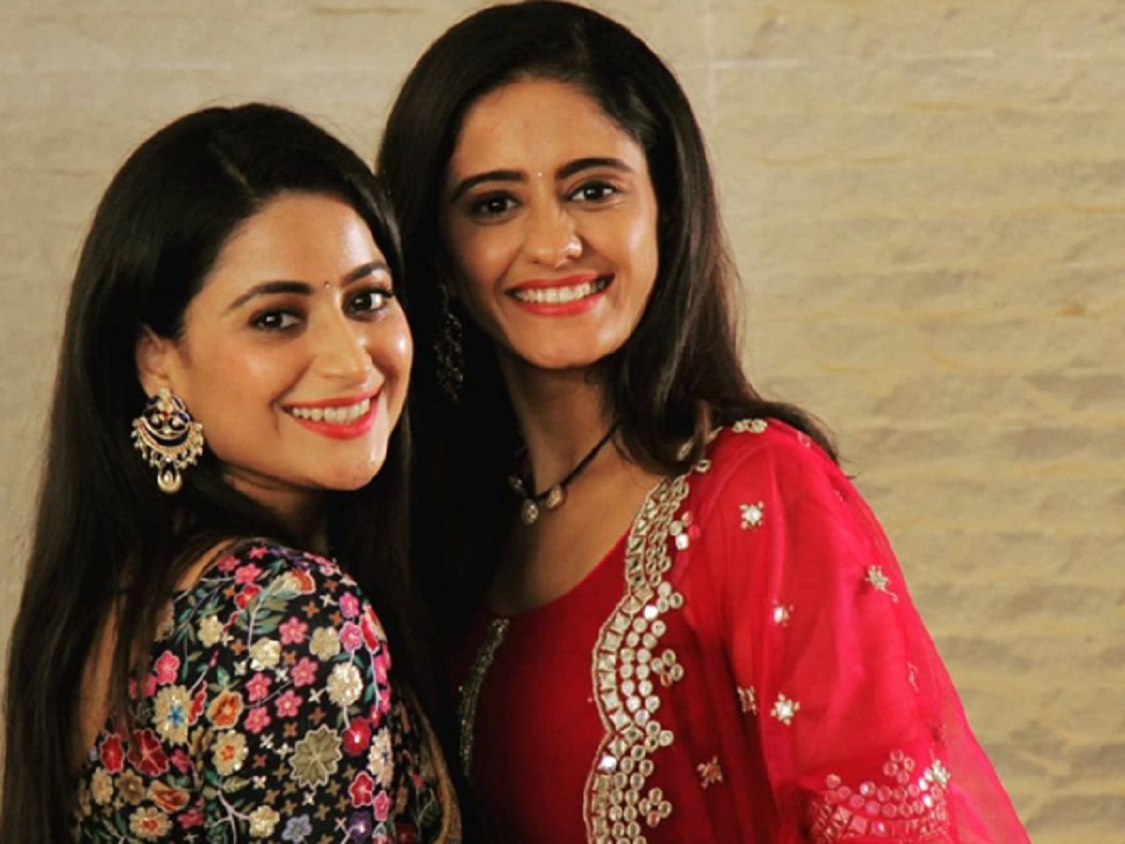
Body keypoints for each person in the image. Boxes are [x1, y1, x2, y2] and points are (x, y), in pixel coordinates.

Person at [377, 2, 1029, 841]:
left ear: (667, 208)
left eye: (593, 190)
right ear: (438, 253)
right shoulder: (452, 534)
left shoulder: (758, 493)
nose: (554, 242)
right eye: (494, 204)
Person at [0, 104, 459, 843]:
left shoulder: (124, 588)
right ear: (158, 361)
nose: (350, 360)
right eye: (276, 318)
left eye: (367, 300)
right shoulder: (287, 615)